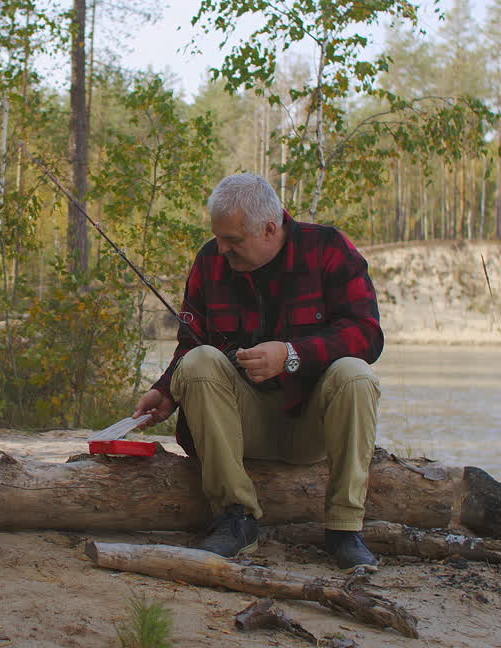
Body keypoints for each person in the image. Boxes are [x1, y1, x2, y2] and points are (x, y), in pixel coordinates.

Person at [132, 173, 384, 572]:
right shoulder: (211, 261)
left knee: (356, 374)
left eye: (233, 240)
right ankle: (235, 518)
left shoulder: (328, 248)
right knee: (198, 363)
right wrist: (165, 391)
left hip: (312, 427)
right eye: (218, 237)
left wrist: (292, 354)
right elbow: (191, 342)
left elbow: (368, 335)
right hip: (241, 424)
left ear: (270, 228)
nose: (222, 248)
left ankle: (344, 529)